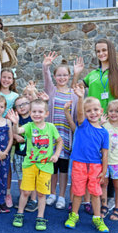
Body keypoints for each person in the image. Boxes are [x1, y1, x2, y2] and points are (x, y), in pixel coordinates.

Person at [72, 39, 118, 209]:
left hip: (112, 122)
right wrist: (76, 73)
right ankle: (93, 199)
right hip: (95, 122)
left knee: (111, 157)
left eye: (104, 50)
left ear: (110, 51)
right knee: (94, 160)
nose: (101, 54)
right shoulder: (92, 74)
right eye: (98, 51)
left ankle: (108, 198)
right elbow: (75, 89)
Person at [8, 99, 62, 231]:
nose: (37, 114)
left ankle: (40, 217)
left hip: (46, 166)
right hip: (29, 165)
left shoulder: (51, 127)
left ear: (46, 113)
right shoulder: (29, 126)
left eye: (40, 111)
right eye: (34, 111)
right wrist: (15, 124)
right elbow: (18, 130)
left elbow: (59, 141)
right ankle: (20, 213)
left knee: (42, 194)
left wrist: (56, 155)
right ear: (30, 113)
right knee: (25, 191)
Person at [64, 84, 110, 233]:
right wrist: (80, 97)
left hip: (95, 166)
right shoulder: (82, 125)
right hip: (79, 164)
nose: (93, 113)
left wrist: (104, 170)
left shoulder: (104, 133)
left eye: (96, 110)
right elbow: (79, 114)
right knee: (78, 192)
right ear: (84, 113)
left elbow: (105, 153)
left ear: (101, 111)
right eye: (88, 110)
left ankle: (97, 218)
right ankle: (74, 215)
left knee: (96, 193)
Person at [42, 51, 78, 210]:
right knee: (52, 167)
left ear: (69, 76)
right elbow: (46, 77)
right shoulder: (51, 91)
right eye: (59, 75)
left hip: (66, 137)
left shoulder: (73, 95)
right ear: (55, 77)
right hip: (51, 137)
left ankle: (62, 196)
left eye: (65, 75)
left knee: (63, 168)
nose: (62, 78)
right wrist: (45, 66)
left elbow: (76, 116)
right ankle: (51, 193)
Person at [101, 100, 118, 221]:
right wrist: (100, 124)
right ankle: (104, 205)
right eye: (111, 111)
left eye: (117, 111)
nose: (114, 113)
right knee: (104, 184)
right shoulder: (104, 126)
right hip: (104, 162)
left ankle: (117, 208)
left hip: (117, 162)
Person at [11, 95, 33, 208]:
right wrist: (15, 136)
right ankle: (22, 197)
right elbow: (10, 131)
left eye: (24, 104)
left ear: (30, 104)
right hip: (19, 154)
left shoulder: (34, 117)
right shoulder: (16, 118)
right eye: (19, 105)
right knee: (21, 177)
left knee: (32, 177)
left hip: (32, 155)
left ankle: (33, 200)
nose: (22, 107)